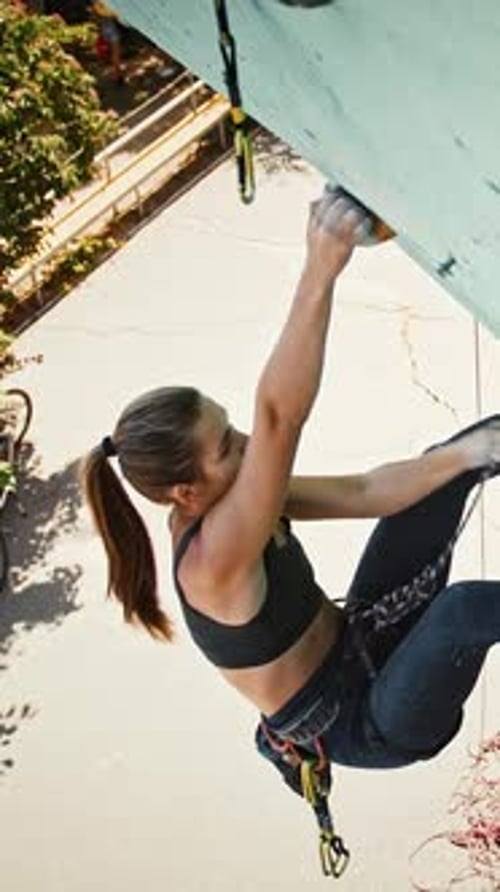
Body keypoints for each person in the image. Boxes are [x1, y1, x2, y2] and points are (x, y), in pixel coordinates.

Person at [82, 189, 500, 784]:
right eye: (227, 447)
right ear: (185, 492)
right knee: (464, 610)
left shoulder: (234, 501)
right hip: (366, 722)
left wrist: (466, 455)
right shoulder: (212, 562)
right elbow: (280, 417)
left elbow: (362, 493)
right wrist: (321, 265)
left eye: (231, 428)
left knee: (446, 464)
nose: (249, 445)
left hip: (362, 638)